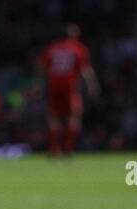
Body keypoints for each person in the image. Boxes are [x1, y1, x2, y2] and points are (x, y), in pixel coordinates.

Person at [39, 24, 99, 157]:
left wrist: (38, 85)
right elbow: (85, 70)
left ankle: (54, 149)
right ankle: (68, 148)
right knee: (74, 117)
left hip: (54, 87)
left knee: (54, 119)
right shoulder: (78, 49)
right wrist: (91, 85)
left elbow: (42, 69)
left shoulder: (51, 48)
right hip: (70, 87)